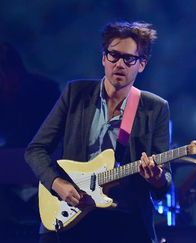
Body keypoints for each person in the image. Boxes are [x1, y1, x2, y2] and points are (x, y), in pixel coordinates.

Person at [25, 21, 171, 243]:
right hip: (72, 214)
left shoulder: (155, 107)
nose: (119, 64)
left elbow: (165, 181)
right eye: (114, 55)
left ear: (142, 64)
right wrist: (57, 183)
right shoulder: (75, 93)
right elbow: (35, 150)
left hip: (125, 221)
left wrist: (157, 178)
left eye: (129, 58)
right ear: (104, 58)